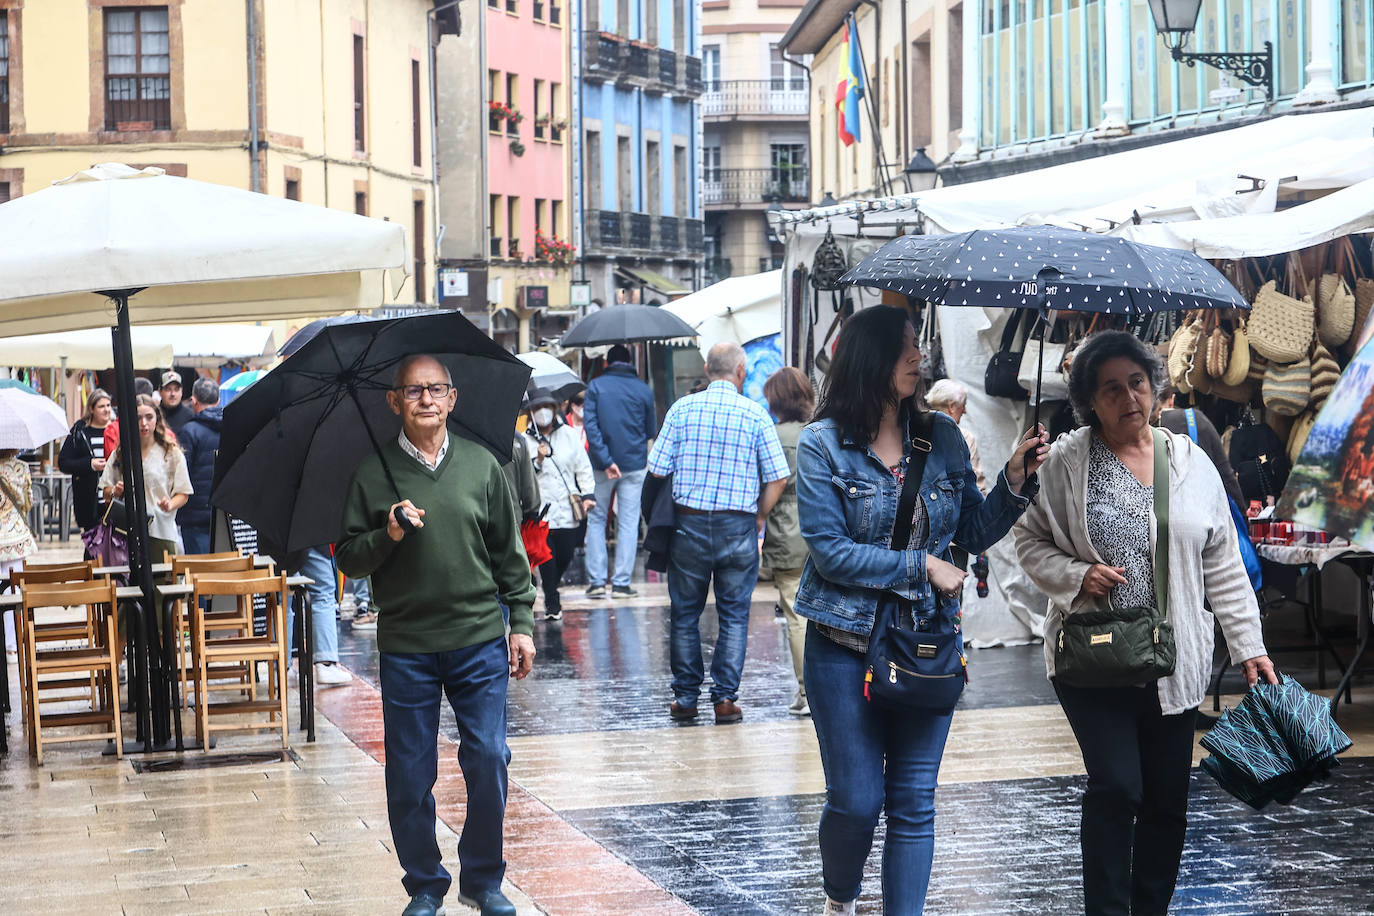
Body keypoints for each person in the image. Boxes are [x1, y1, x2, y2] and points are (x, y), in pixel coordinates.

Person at [794, 305, 1046, 916]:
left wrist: (1013, 482)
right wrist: (919, 566)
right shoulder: (822, 444)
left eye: (917, 346)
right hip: (843, 643)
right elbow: (829, 553)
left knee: (913, 799)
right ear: (870, 360)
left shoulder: (943, 438)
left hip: (925, 644)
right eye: (906, 348)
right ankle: (840, 897)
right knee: (856, 800)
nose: (918, 357)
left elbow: (973, 531)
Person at [1015, 330, 1275, 916]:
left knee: (1166, 802)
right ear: (1090, 400)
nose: (1128, 396)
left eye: (1136, 382)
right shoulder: (1063, 461)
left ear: (1154, 386)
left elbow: (1223, 563)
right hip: (1092, 657)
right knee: (1117, 787)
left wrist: (1249, 645)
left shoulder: (1190, 461)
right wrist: (1076, 574)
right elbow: (1027, 540)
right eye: (1111, 388)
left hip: (1174, 660)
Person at [335, 354, 535, 916]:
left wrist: (520, 622)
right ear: (394, 401)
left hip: (477, 639)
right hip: (407, 646)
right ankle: (425, 884)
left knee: (490, 757)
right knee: (409, 771)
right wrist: (389, 531)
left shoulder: (482, 466)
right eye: (413, 390)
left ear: (453, 399)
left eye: (436, 389)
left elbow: (509, 556)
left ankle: (483, 880)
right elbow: (349, 557)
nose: (426, 398)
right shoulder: (371, 475)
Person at [647, 341, 790, 725]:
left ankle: (686, 697)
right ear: (741, 372)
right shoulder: (755, 414)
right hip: (738, 526)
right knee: (734, 616)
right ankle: (725, 699)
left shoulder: (681, 410)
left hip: (688, 525)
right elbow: (778, 476)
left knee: (684, 614)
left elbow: (657, 469)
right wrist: (758, 516)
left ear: (708, 370)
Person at [762, 367, 816, 718]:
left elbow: (768, 485)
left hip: (785, 531)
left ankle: (808, 691)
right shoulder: (818, 433)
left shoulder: (772, 436)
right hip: (822, 531)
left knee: (797, 615)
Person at [583, 344, 657, 598]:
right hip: (634, 464)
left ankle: (596, 582)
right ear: (629, 362)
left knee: (597, 519)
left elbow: (591, 428)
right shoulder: (643, 389)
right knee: (628, 522)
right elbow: (650, 430)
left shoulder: (595, 387)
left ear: (607, 363)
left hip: (602, 466)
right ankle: (622, 583)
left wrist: (606, 460)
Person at [525, 388, 595, 621]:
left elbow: (582, 466)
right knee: (546, 556)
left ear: (554, 409)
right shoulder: (525, 440)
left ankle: (550, 584)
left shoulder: (568, 435)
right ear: (531, 412)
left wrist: (588, 495)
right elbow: (523, 475)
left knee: (566, 553)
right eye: (536, 408)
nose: (542, 412)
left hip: (567, 507)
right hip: (540, 509)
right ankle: (552, 599)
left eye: (546, 407)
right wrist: (539, 459)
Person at [99, 394, 192, 564]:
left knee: (162, 585)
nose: (144, 423)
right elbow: (105, 490)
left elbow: (183, 493)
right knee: (129, 584)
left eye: (149, 417)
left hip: (161, 529)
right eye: (138, 418)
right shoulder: (121, 454)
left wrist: (170, 504)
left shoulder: (171, 453)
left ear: (157, 418)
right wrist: (115, 491)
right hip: (126, 531)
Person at [1152, 387, 1245, 507]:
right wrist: (1243, 517)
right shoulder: (1195, 419)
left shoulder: (1138, 432)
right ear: (1172, 399)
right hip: (1200, 511)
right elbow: (1226, 475)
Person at [176, 377, 223, 556]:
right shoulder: (232, 425)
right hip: (225, 512)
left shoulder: (189, 431)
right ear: (218, 400)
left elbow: (182, 474)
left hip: (195, 515)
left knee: (199, 574)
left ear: (194, 401)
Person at [58, 388, 114, 537]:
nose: (106, 410)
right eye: (102, 406)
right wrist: (90, 464)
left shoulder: (116, 429)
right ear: (91, 408)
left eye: (108, 405)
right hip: (89, 500)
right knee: (92, 545)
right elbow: (63, 462)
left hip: (114, 498)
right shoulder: (80, 431)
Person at [0, 449, 37, 659]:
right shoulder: (21, 467)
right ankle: (13, 645)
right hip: (16, 539)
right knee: (14, 592)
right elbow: (27, 503)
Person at [926, 379, 989, 494]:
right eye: (963, 405)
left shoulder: (914, 430)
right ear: (952, 407)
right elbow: (977, 483)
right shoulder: (964, 437)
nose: (964, 411)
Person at [158, 370, 194, 435]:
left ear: (181, 392)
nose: (173, 394)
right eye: (168, 389)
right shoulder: (154, 415)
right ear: (160, 391)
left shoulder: (190, 416)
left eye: (176, 389)